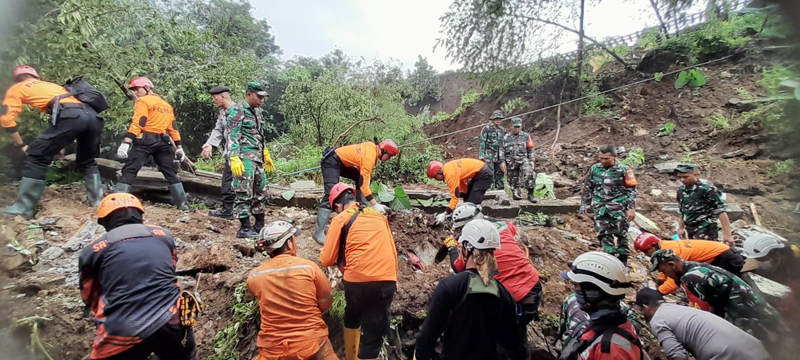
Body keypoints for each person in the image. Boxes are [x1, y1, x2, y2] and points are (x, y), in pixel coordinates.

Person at [79, 193, 195, 359]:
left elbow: (89, 294)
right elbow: (171, 268)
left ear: (105, 221)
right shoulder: (164, 235)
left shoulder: (93, 250)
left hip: (122, 330)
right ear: (140, 215)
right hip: (171, 321)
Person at [0, 65, 105, 218]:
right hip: (94, 117)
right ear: (36, 77)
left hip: (71, 116)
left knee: (36, 156)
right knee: (87, 161)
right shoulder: (53, 86)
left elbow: (7, 119)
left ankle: (23, 209)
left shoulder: (17, 88)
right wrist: (59, 145)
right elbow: (74, 118)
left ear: (17, 79)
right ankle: (97, 202)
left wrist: (21, 145)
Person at [415, 219, 524, 360]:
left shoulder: (449, 286)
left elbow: (427, 336)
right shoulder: (503, 292)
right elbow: (512, 341)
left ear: (465, 249)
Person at [319, 183, 397, 360]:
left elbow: (326, 259)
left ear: (338, 206)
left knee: (353, 315)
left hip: (357, 281)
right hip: (387, 278)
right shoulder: (379, 216)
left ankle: (351, 357)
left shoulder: (341, 219)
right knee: (376, 326)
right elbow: (392, 251)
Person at [650, 249, 786, 343]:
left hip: (746, 315)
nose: (665, 275)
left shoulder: (690, 278)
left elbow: (703, 316)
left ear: (672, 265)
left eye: (663, 271)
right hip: (755, 306)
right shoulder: (695, 266)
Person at [445, 202, 542, 330]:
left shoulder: (472, 247)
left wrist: (452, 248)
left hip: (512, 298)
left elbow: (458, 268)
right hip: (534, 287)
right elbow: (511, 227)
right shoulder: (502, 226)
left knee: (501, 334)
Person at [247, 220, 336, 360]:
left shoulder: (254, 277)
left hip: (273, 350)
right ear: (289, 243)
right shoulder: (309, 268)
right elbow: (326, 302)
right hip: (312, 343)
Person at [114, 77, 188, 210]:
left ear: (147, 88)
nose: (135, 92)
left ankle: (116, 203)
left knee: (130, 170)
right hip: (163, 142)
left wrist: (126, 142)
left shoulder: (142, 101)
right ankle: (182, 204)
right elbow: (173, 128)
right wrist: (179, 147)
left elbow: (139, 122)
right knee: (170, 172)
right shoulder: (166, 105)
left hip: (145, 141)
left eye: (137, 89)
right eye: (133, 90)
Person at [633, 288, 769, 360]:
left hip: (728, 356)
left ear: (646, 307)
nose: (642, 315)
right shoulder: (681, 309)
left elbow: (677, 356)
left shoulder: (658, 319)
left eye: (641, 311)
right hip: (755, 348)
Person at [312, 138, 398, 244]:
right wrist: (375, 205)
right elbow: (364, 186)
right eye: (389, 156)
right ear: (384, 151)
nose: (389, 159)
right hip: (331, 161)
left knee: (358, 177)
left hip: (341, 162)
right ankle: (318, 232)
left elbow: (362, 176)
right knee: (330, 194)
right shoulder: (369, 157)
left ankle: (362, 208)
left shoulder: (372, 148)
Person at [559, 251, 642, 360]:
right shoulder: (604, 326)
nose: (575, 291)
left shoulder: (610, 350)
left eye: (576, 285)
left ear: (592, 292)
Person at [225, 82, 275, 238]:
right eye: (259, 97)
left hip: (257, 157)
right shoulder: (236, 110)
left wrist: (265, 152)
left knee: (261, 191)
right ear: (249, 94)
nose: (262, 100)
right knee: (244, 191)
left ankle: (259, 224)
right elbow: (232, 134)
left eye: (263, 97)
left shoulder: (257, 112)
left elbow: (259, 133)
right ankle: (245, 228)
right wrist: (233, 156)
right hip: (244, 157)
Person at [634, 233, 745, 294]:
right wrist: (660, 280)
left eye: (646, 251)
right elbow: (664, 266)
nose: (646, 255)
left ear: (654, 245)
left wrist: (659, 292)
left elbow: (675, 278)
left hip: (726, 259)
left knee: (735, 290)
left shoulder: (674, 252)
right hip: (718, 257)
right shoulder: (665, 247)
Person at [580, 145, 637, 265]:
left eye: (606, 159)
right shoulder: (594, 169)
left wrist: (631, 208)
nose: (603, 161)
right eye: (601, 158)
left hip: (618, 207)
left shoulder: (624, 170)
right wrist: (584, 205)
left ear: (615, 157)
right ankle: (609, 257)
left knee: (621, 233)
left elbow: (631, 190)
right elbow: (587, 187)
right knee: (603, 232)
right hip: (600, 207)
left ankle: (623, 259)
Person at [675, 164, 734, 245]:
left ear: (695, 175)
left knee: (705, 253)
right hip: (690, 229)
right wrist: (681, 228)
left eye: (685, 177)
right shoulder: (681, 191)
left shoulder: (707, 189)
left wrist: (728, 235)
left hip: (706, 229)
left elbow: (720, 211)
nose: (682, 180)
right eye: (679, 177)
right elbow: (683, 210)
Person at [202, 85, 236, 219]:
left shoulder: (239, 111)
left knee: (237, 182)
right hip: (230, 154)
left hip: (241, 154)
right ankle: (228, 209)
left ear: (223, 96)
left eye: (215, 98)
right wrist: (209, 144)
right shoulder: (222, 112)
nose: (213, 100)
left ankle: (234, 210)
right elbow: (218, 130)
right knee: (227, 181)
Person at [426, 158, 493, 225]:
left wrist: (445, 213)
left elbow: (455, 197)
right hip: (479, 173)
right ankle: (468, 221)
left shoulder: (449, 174)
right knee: (467, 201)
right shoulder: (448, 167)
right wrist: (462, 197)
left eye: (435, 177)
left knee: (471, 205)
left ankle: (474, 224)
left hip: (484, 174)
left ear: (439, 171)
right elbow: (462, 182)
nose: (436, 179)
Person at [503, 117, 537, 202]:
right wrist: (502, 162)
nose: (517, 128)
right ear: (511, 126)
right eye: (515, 127)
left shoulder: (526, 136)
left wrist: (532, 160)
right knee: (512, 179)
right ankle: (516, 193)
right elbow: (501, 151)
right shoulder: (505, 137)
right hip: (511, 161)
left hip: (523, 159)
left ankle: (530, 194)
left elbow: (530, 148)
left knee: (529, 172)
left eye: (518, 127)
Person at [479, 110, 507, 190]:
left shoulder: (502, 130)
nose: (498, 120)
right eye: (496, 118)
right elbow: (482, 142)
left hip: (500, 156)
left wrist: (503, 158)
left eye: (500, 119)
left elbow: (503, 144)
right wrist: (481, 155)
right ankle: (488, 190)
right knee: (489, 173)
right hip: (489, 155)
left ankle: (500, 190)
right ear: (493, 119)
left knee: (500, 174)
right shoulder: (486, 128)